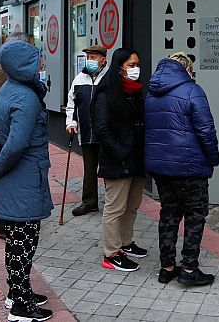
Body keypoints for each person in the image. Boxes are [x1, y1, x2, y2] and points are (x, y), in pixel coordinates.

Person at [0, 39, 52, 322]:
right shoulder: (25, 96)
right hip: (22, 179)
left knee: (16, 240)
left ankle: (18, 291)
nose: (42, 64)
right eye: (38, 60)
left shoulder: (8, 89)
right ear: (25, 64)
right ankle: (22, 307)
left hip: (15, 180)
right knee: (24, 241)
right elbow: (17, 144)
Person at [145, 52, 219, 286]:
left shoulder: (152, 92)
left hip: (161, 167)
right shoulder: (192, 90)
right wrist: (213, 158)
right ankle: (188, 269)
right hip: (190, 167)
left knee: (169, 213)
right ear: (186, 69)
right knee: (195, 216)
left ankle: (167, 268)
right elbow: (206, 131)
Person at [91, 47, 148, 272]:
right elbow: (102, 129)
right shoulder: (107, 92)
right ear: (120, 67)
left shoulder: (135, 91)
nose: (136, 70)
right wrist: (121, 152)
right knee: (115, 208)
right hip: (119, 160)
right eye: (131, 66)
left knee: (132, 206)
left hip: (136, 158)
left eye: (137, 65)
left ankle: (126, 242)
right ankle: (112, 252)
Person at [0, 32, 35, 240]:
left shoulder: (19, 76)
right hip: (7, 132)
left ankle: (7, 222)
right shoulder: (9, 74)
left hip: (5, 131)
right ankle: (6, 224)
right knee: (6, 174)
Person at [66, 45, 109, 217]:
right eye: (88, 57)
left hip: (107, 134)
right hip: (86, 131)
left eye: (93, 57)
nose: (90, 60)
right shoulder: (79, 79)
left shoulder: (110, 78)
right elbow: (71, 105)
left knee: (109, 169)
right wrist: (71, 122)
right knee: (89, 169)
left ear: (103, 59)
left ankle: (113, 204)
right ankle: (89, 202)